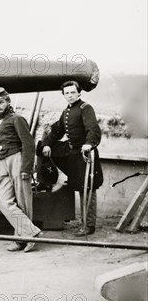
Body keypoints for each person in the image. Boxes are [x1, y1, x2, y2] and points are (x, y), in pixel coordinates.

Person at [0, 88, 41, 252]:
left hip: (16, 160)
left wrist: (26, 168)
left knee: (23, 202)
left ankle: (22, 240)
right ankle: (31, 233)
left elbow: (28, 144)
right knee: (4, 202)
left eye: (1, 102)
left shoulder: (17, 119)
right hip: (1, 162)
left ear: (8, 102)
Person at [42, 80, 103, 236]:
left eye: (72, 92)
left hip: (85, 154)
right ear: (64, 95)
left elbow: (93, 129)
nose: (69, 95)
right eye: (67, 93)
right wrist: (47, 144)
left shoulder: (85, 108)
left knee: (87, 188)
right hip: (72, 153)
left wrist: (89, 144)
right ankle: (55, 179)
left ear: (79, 93)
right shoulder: (66, 111)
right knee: (45, 148)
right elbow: (57, 130)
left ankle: (88, 225)